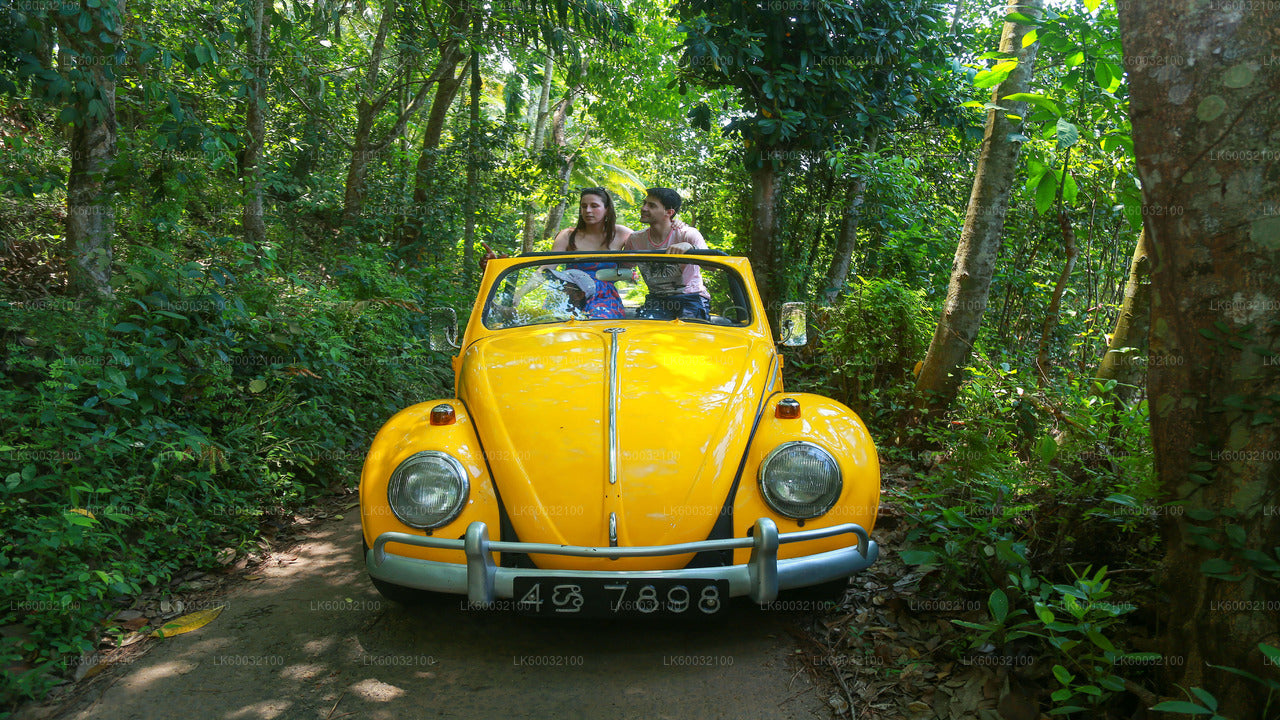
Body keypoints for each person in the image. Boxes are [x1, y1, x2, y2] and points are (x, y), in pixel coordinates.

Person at [620, 187, 711, 321]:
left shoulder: (687, 234)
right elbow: (622, 267)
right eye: (644, 203)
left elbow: (712, 266)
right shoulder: (635, 239)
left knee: (689, 334)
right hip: (657, 299)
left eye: (651, 205)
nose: (644, 208)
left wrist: (691, 248)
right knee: (645, 334)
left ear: (669, 212)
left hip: (691, 297)